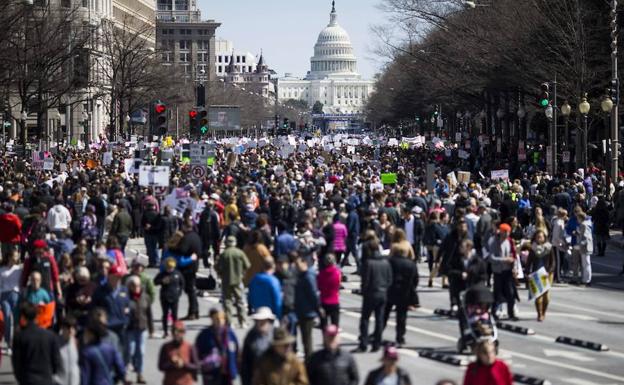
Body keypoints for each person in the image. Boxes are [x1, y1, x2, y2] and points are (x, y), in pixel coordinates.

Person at [357, 235, 393, 352]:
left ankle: (364, 342)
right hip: (383, 293)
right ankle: (377, 343)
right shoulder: (385, 262)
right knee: (379, 319)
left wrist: (364, 290)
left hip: (371, 293)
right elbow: (389, 279)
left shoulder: (368, 263)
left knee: (365, 319)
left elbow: (365, 280)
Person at [12, 302, 62, 385]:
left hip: (28, 379)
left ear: (23, 318)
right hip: (46, 378)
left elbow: (16, 362)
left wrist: (21, 378)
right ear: (36, 316)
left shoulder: (20, 337)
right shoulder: (50, 336)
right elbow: (56, 361)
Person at [383, 234, 418, 347]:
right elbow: (415, 279)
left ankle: (378, 332)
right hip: (405, 292)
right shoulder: (411, 264)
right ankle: (400, 337)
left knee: (384, 314)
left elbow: (386, 275)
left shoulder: (389, 261)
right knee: (401, 317)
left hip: (390, 291)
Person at [195, 309, 240, 385]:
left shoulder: (230, 333)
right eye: (216, 318)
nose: (219, 320)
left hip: (227, 372)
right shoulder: (204, 334)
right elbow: (197, 351)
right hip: (211, 372)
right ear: (212, 319)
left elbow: (237, 351)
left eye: (222, 318)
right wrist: (203, 363)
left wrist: (235, 368)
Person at [79, 316, 128, 385]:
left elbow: (85, 376)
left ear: (92, 334)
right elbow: (120, 367)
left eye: (86, 333)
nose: (85, 335)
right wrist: (122, 379)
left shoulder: (86, 353)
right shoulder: (110, 348)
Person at [216, 235, 251, 328]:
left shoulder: (224, 254)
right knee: (240, 301)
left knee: (227, 302)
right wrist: (242, 273)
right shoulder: (239, 253)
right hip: (238, 280)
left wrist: (220, 274)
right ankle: (242, 321)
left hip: (226, 280)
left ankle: (229, 322)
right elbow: (247, 265)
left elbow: (217, 267)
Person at [487, 224, 517, 321]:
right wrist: (504, 260)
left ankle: (511, 313)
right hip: (498, 271)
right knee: (497, 293)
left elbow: (512, 255)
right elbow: (491, 258)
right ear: (501, 231)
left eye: (508, 232)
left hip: (507, 271)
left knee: (511, 293)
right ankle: (493, 312)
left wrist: (514, 266)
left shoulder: (508, 241)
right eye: (506, 232)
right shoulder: (493, 241)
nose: (508, 234)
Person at [294, 253, 320, 358]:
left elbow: (313, 294)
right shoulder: (302, 274)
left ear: (304, 262)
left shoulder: (308, 276)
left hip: (307, 312)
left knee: (307, 340)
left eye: (298, 263)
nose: (296, 266)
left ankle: (309, 361)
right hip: (302, 310)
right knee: (305, 339)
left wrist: (317, 308)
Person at [126, 275, 150, 384]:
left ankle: (140, 374)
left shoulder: (145, 297)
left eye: (138, 285)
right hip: (129, 328)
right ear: (129, 286)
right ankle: (125, 375)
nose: (136, 288)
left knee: (141, 351)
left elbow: (149, 313)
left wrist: (152, 328)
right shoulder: (125, 297)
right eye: (133, 285)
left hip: (142, 328)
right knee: (130, 351)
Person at [241, 307, 274, 385]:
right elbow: (245, 363)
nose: (261, 323)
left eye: (264, 320)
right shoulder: (250, 337)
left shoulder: (276, 334)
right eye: (259, 320)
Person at [526, 230, 555, 321]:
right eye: (537, 237)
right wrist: (527, 273)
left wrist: (549, 271)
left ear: (544, 238)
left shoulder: (549, 248)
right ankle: (539, 314)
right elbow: (528, 262)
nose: (539, 238)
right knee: (538, 296)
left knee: (546, 296)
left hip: (546, 274)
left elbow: (553, 262)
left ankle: (544, 312)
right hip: (536, 273)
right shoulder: (533, 248)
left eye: (541, 237)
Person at [158, 320, 198, 385]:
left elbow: (196, 366)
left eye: (180, 331)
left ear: (184, 332)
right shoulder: (165, 347)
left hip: (186, 382)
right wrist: (172, 364)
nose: (176, 334)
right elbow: (160, 366)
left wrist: (184, 364)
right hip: (169, 382)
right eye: (174, 331)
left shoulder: (190, 347)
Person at [154, 258, 185, 338]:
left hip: (174, 297)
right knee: (165, 314)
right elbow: (155, 282)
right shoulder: (162, 274)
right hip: (164, 296)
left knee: (175, 315)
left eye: (171, 267)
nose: (170, 269)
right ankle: (165, 331)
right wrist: (162, 281)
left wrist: (179, 292)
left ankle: (175, 331)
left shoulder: (177, 274)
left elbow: (182, 283)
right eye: (168, 267)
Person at [0, 249, 22, 353]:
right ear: (9, 257)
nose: (16, 258)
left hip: (15, 295)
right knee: (7, 319)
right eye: (14, 256)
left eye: (17, 256)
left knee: (16, 320)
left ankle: (16, 343)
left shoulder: (18, 269)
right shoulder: (2, 269)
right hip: (4, 296)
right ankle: (8, 344)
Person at [317, 253, 341, 330]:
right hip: (334, 301)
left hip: (323, 301)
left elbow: (318, 287)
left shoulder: (321, 274)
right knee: (335, 325)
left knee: (324, 325)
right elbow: (338, 285)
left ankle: (325, 340)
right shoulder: (337, 273)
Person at [54, 316, 80, 385]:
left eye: (73, 328)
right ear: (62, 328)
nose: (71, 330)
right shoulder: (54, 343)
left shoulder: (77, 343)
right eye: (68, 327)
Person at [575, 211, 593, 286]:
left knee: (586, 264)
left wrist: (580, 245)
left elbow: (585, 237)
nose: (577, 220)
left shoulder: (583, 225)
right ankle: (585, 279)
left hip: (585, 247)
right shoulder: (586, 224)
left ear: (580, 218)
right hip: (586, 246)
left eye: (578, 218)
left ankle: (587, 280)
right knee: (585, 264)